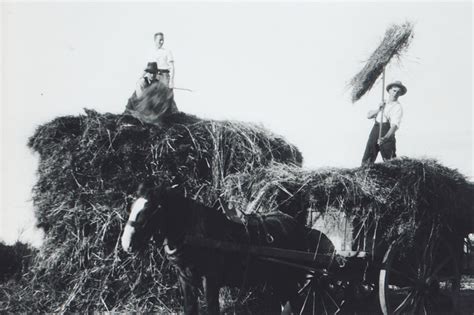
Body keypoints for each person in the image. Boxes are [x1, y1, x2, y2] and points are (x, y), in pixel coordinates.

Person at [361, 81, 406, 166]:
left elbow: (394, 126)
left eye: (398, 92)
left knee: (390, 161)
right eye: (394, 90)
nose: (395, 93)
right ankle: (364, 174)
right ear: (389, 91)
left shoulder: (397, 107)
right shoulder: (383, 102)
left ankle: (394, 177)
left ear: (400, 94)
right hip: (376, 129)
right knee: (368, 157)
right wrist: (379, 109)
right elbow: (369, 116)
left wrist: (385, 138)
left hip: (387, 131)